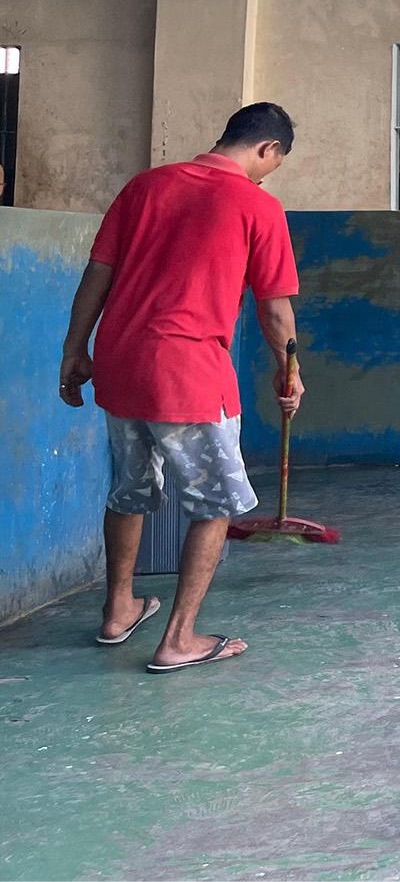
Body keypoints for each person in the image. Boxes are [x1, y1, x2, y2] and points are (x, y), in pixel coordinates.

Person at [57, 103, 304, 674]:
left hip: (121, 364)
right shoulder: (258, 205)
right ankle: (179, 639)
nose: (269, 174)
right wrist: (289, 369)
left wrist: (75, 348)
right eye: (275, 163)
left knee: (130, 489)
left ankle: (119, 609)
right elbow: (274, 309)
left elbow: (98, 272)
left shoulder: (144, 187)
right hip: (189, 372)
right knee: (217, 503)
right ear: (268, 150)